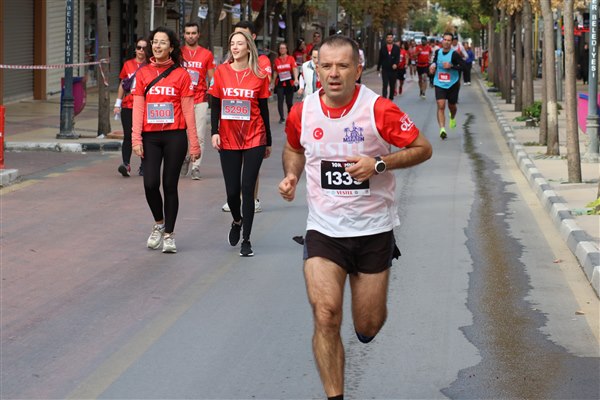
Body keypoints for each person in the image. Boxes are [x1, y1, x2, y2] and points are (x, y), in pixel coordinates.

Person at [278, 35, 432, 399]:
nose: (334, 73)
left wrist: (378, 164)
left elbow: (422, 148)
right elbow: (293, 148)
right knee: (326, 314)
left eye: (343, 66)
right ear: (316, 69)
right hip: (324, 229)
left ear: (358, 70)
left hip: (373, 230)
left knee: (368, 325)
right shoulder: (303, 112)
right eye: (326, 66)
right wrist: (291, 175)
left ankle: (368, 323)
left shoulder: (378, 109)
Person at [131, 26, 201, 253]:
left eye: (163, 42)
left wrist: (194, 143)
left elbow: (188, 111)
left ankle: (170, 234)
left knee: (170, 185)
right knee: (150, 183)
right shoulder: (143, 73)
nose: (157, 46)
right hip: (150, 137)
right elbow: (138, 108)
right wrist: (135, 138)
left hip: (175, 136)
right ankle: (159, 223)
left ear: (171, 48)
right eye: (155, 42)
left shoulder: (181, 75)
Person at [209, 30, 272, 257]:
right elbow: (215, 104)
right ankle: (237, 220)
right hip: (228, 137)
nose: (235, 47)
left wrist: (268, 141)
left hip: (254, 136)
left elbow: (263, 109)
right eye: (232, 43)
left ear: (248, 48)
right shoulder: (221, 71)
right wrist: (214, 132)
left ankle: (246, 239)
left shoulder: (260, 75)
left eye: (239, 44)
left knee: (247, 187)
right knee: (232, 192)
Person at [221, 20, 272, 214]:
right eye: (234, 39)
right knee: (234, 171)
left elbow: (262, 96)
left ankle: (251, 197)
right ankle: (235, 199)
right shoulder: (225, 65)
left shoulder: (262, 63)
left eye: (242, 38)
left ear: (252, 39)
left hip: (252, 129)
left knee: (250, 169)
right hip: (230, 128)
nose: (236, 44)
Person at [180, 22, 216, 180]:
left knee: (199, 134)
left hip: (200, 98)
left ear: (198, 34)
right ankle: (186, 157)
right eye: (188, 33)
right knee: (183, 134)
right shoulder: (178, 53)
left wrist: (214, 93)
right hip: (181, 100)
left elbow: (212, 77)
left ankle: (196, 167)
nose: (191, 36)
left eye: (193, 33)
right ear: (184, 35)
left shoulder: (206, 54)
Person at [114, 38, 147, 177]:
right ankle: (126, 164)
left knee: (144, 136)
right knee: (128, 135)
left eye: (144, 48)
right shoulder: (128, 65)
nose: (141, 50)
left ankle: (144, 166)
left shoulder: (151, 65)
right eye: (139, 47)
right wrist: (117, 103)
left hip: (144, 106)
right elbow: (123, 84)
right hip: (128, 105)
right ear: (135, 49)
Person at [429, 32, 467, 139]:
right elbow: (434, 62)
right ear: (442, 40)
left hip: (452, 84)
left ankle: (452, 117)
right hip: (439, 83)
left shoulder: (454, 54)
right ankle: (442, 129)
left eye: (449, 40)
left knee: (452, 106)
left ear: (451, 42)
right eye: (445, 40)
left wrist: (451, 66)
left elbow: (464, 67)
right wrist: (432, 67)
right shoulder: (437, 52)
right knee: (441, 105)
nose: (446, 42)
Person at [272, 42, 299, 123]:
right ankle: (282, 118)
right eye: (281, 48)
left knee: (289, 101)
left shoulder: (291, 58)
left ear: (287, 49)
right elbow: (275, 72)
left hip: (289, 82)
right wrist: (273, 83)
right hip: (280, 83)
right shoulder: (277, 60)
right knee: (280, 100)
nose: (282, 50)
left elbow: (294, 69)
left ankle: (290, 116)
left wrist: (296, 79)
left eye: (284, 48)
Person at [377, 33, 400, 100]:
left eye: (391, 37)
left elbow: (398, 58)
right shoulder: (383, 48)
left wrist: (396, 64)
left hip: (393, 70)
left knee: (392, 85)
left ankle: (391, 98)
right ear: (386, 39)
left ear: (392, 38)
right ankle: (384, 99)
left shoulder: (396, 48)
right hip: (385, 69)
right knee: (385, 84)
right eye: (388, 38)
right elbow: (380, 58)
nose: (389, 39)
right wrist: (378, 68)